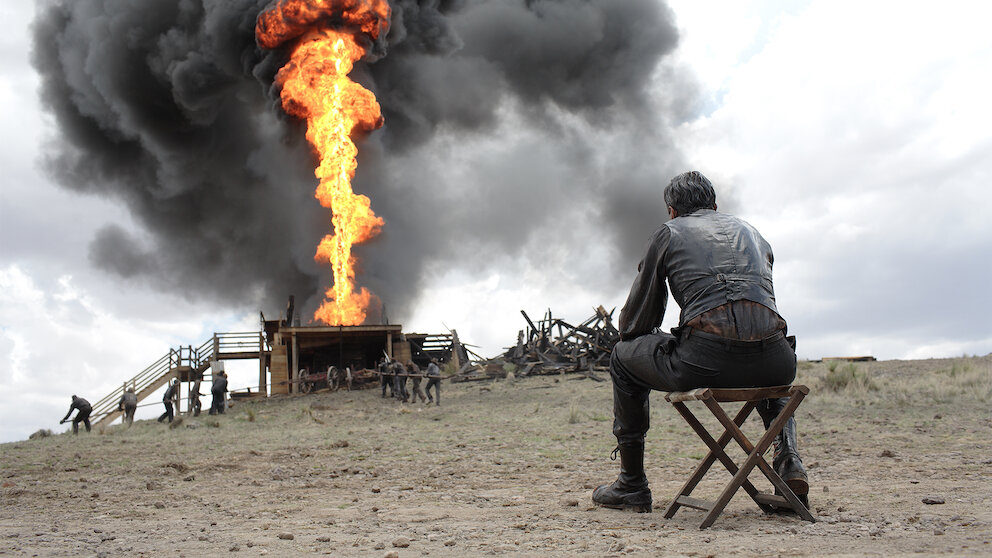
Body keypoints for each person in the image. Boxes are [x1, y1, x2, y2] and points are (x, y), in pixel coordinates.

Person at [592, 171, 808, 513]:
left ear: (672, 211)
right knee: (770, 369)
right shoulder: (754, 233)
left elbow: (637, 322)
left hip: (706, 361)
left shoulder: (669, 232)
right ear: (715, 206)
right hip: (776, 360)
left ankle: (631, 485)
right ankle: (788, 461)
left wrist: (649, 336)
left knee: (621, 356)